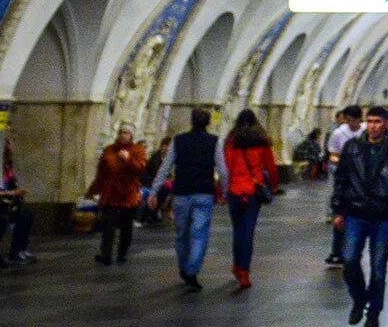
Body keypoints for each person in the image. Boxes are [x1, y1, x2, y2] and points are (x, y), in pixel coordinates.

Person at [330, 105, 388, 327]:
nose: (373, 126)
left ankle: (373, 312)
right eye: (370, 121)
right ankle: (359, 298)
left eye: (378, 121)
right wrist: (337, 210)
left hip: (383, 215)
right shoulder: (353, 147)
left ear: (386, 123)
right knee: (348, 260)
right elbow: (341, 180)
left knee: (378, 267)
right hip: (356, 212)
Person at [149, 108, 227, 291]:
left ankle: (184, 267)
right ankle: (192, 268)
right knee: (199, 233)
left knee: (181, 233)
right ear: (208, 123)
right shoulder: (214, 142)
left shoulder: (178, 141)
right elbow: (223, 170)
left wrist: (154, 191)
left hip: (182, 193)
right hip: (204, 193)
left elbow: (165, 168)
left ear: (191, 121)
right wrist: (225, 191)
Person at [223, 108, 280, 290]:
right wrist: (273, 185)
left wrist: (221, 190)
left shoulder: (232, 142)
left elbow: (227, 167)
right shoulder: (262, 141)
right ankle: (244, 273)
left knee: (237, 230)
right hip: (253, 190)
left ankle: (236, 265)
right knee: (248, 232)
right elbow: (271, 167)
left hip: (234, 190)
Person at [90, 125, 148, 265]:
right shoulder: (109, 149)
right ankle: (106, 255)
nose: (123, 135)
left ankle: (122, 252)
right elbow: (102, 171)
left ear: (131, 136)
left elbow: (141, 169)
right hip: (111, 193)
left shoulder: (137, 150)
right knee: (108, 225)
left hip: (128, 194)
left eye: (127, 133)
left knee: (126, 226)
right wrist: (93, 190)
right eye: (121, 132)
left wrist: (128, 160)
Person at [323, 106, 363, 266]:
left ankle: (352, 251)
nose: (351, 123)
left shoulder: (366, 131)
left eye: (354, 120)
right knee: (341, 214)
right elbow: (333, 154)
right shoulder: (339, 133)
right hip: (344, 177)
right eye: (348, 120)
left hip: (362, 179)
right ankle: (337, 251)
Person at [0, 140, 37, 263]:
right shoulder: (0, 166)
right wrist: (12, 192)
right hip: (3, 201)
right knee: (21, 218)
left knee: (28, 215)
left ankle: (21, 248)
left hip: (12, 199)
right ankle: (14, 252)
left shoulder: (8, 166)